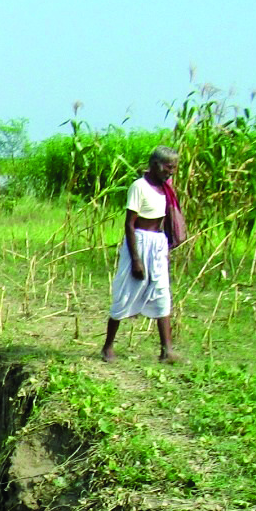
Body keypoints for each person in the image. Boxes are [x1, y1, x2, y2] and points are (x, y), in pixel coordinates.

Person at [101, 146, 180, 363]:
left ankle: (166, 351)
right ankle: (107, 347)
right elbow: (129, 224)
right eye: (168, 167)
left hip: (157, 243)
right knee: (125, 294)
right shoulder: (139, 187)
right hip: (139, 242)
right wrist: (136, 259)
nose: (171, 171)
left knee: (162, 295)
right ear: (155, 164)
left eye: (174, 168)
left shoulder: (165, 188)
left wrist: (164, 247)